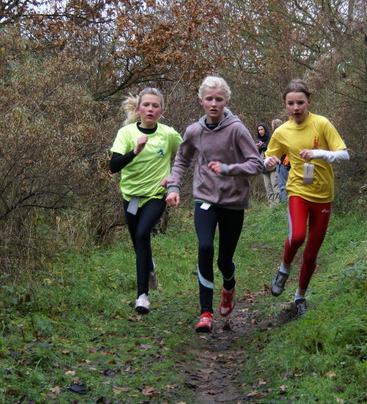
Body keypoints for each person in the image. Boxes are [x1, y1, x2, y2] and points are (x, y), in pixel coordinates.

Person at [165, 76, 262, 333]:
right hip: (205, 198)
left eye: (219, 99)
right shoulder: (193, 131)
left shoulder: (237, 129)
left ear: (226, 101)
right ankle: (205, 312)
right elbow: (182, 161)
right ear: (201, 101)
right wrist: (173, 187)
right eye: (209, 99)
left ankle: (229, 284)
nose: (214, 103)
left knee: (224, 260)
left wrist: (228, 169)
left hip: (233, 201)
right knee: (205, 247)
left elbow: (256, 163)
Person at [264, 79, 350, 316]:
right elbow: (268, 157)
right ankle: (284, 268)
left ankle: (300, 296)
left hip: (323, 195)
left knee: (311, 254)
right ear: (285, 104)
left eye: (300, 102)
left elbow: (344, 156)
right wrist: (268, 160)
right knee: (298, 235)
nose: (296, 108)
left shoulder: (321, 124)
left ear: (308, 102)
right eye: (291, 103)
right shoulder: (282, 132)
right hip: (298, 191)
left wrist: (318, 154)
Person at [109, 88, 182, 314]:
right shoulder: (126, 133)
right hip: (131, 197)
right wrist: (135, 151)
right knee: (138, 243)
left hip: (155, 196)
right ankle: (149, 267)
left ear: (162, 110)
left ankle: (142, 297)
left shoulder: (169, 134)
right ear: (139, 108)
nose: (151, 109)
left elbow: (187, 155)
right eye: (146, 105)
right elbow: (113, 167)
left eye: (155, 106)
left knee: (142, 234)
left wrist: (174, 177)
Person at [256, 122, 279, 207]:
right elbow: (256, 154)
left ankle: (277, 206)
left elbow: (273, 147)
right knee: (268, 188)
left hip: (273, 165)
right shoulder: (258, 140)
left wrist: (263, 146)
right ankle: (271, 206)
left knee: (275, 185)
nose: (260, 131)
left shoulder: (271, 137)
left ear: (265, 129)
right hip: (263, 167)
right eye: (259, 130)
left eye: (262, 129)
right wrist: (257, 147)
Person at [271, 118, 289, 202]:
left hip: (283, 162)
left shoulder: (278, 136)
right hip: (286, 162)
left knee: (282, 186)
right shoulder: (287, 134)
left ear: (273, 127)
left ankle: (284, 206)